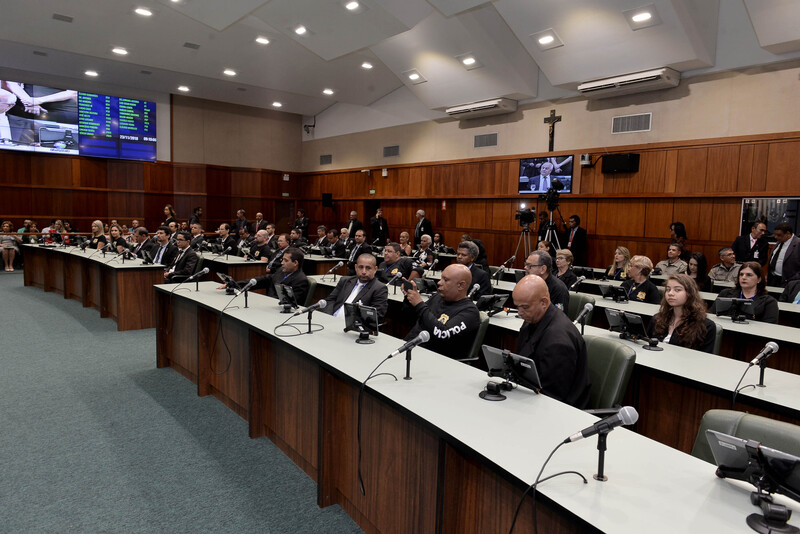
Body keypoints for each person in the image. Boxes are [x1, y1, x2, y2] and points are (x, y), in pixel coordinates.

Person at [513, 274, 591, 408]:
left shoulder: (558, 342)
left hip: (559, 408)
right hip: (531, 394)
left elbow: (552, 396)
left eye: (525, 307)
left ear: (544, 302)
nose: (519, 312)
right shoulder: (533, 318)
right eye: (517, 306)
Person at [402, 264, 480, 360]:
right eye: (441, 278)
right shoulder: (437, 297)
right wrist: (409, 299)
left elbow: (442, 334)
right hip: (410, 349)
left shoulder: (470, 312)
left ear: (461, 285)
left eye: (445, 280)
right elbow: (412, 319)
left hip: (434, 359)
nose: (439, 282)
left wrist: (419, 304)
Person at [648, 274, 716, 354]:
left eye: (677, 290)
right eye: (668, 289)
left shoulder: (706, 326)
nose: (670, 293)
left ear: (690, 293)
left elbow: (704, 358)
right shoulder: (657, 319)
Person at [710, 262, 779, 323]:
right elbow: (711, 315)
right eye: (741, 274)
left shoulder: (769, 302)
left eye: (749, 275)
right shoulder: (725, 293)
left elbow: (769, 326)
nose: (743, 277)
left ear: (759, 279)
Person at [324, 253, 388, 318]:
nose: (364, 272)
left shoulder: (379, 288)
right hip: (332, 319)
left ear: (375, 269)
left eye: (368, 268)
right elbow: (330, 300)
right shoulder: (345, 281)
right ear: (356, 267)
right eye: (361, 267)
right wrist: (329, 317)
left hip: (352, 323)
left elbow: (376, 315)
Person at [768, 223, 800, 287]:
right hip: (773, 279)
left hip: (789, 281)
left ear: (788, 234)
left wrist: (795, 278)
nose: (776, 237)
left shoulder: (798, 244)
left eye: (779, 235)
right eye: (775, 234)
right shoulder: (779, 242)